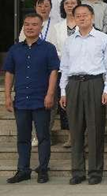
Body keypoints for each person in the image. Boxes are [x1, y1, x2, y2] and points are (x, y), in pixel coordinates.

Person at [59, 4, 107, 185]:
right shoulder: (69, 41)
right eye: (78, 15)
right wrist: (63, 91)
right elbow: (64, 67)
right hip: (73, 84)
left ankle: (95, 171)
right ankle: (77, 171)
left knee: (95, 129)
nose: (81, 18)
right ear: (74, 18)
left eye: (85, 15)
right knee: (75, 130)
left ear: (92, 17)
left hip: (95, 83)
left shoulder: (104, 39)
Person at [4, 13, 59, 184]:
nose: (30, 27)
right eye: (27, 24)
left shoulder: (48, 48)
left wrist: (50, 94)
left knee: (43, 136)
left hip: (41, 99)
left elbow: (53, 72)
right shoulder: (15, 49)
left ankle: (43, 169)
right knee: (23, 137)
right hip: (21, 100)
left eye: (34, 24)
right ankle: (23, 170)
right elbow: (9, 73)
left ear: (41, 28)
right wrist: (7, 96)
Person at [46, 0, 80, 148]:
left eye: (73, 3)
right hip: (62, 69)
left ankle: (82, 135)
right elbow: (53, 48)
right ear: (63, 6)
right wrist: (66, 57)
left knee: (80, 104)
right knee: (65, 103)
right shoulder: (57, 27)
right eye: (67, 3)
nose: (70, 5)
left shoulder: (84, 23)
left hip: (81, 69)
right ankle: (70, 136)